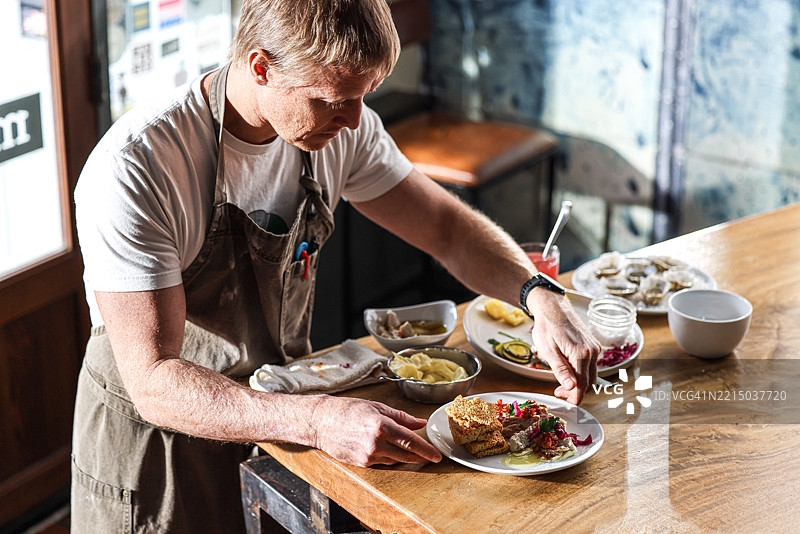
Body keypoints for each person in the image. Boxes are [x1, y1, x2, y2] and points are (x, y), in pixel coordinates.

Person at [71, 0, 600, 531]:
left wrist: (539, 294)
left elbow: (446, 228)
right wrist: (319, 419)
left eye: (363, 97)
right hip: (159, 447)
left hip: (279, 415)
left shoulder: (340, 127)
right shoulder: (137, 168)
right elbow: (154, 381)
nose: (352, 122)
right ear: (261, 67)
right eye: (332, 101)